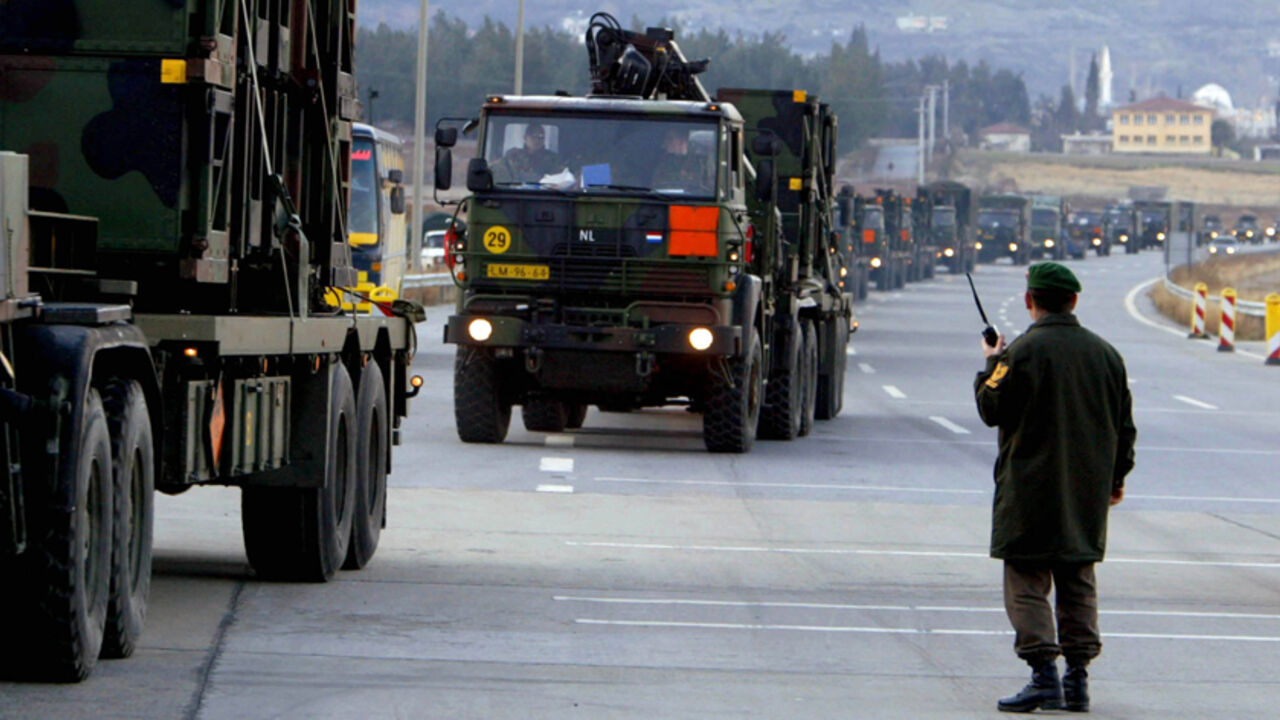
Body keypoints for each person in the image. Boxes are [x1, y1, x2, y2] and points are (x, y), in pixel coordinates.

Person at [974, 262, 1136, 714]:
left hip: (1029, 489)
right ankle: (1078, 680)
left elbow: (991, 407)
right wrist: (1116, 479)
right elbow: (1124, 428)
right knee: (1078, 577)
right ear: (1074, 301)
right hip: (1086, 492)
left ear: (1031, 301)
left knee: (1026, 579)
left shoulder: (1020, 353)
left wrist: (991, 360)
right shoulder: (1107, 355)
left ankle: (1043, 674)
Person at [491, 123, 563, 184]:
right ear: (525, 137)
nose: (537, 140)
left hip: (545, 196)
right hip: (514, 194)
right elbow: (499, 172)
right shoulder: (513, 155)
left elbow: (560, 180)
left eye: (541, 137)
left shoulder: (552, 159)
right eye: (534, 136)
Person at [651, 126, 713, 194]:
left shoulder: (701, 162)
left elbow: (709, 187)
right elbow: (655, 187)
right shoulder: (664, 162)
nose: (664, 144)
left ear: (683, 140)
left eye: (670, 139)